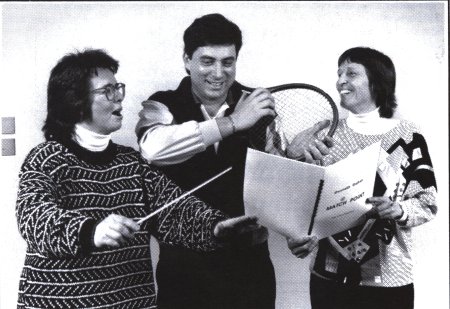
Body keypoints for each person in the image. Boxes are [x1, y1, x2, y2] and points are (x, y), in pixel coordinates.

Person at [15, 49, 262, 309]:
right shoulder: (46, 158)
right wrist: (92, 231)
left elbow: (176, 212)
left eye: (118, 88)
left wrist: (215, 227)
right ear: (74, 101)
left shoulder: (131, 163)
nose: (119, 99)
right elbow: (34, 218)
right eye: (107, 91)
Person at [135, 13, 277, 309]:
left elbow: (273, 180)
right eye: (207, 61)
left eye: (228, 62)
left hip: (250, 269)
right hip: (183, 268)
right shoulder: (161, 104)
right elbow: (153, 150)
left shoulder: (257, 105)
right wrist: (234, 122)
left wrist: (295, 157)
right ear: (187, 60)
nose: (219, 72)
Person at [286, 47, 437, 309]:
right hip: (328, 279)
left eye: (351, 73)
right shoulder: (324, 134)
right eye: (339, 73)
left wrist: (398, 209)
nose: (340, 80)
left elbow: (427, 201)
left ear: (377, 82)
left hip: (391, 279)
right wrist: (299, 234)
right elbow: (302, 203)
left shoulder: (408, 135)